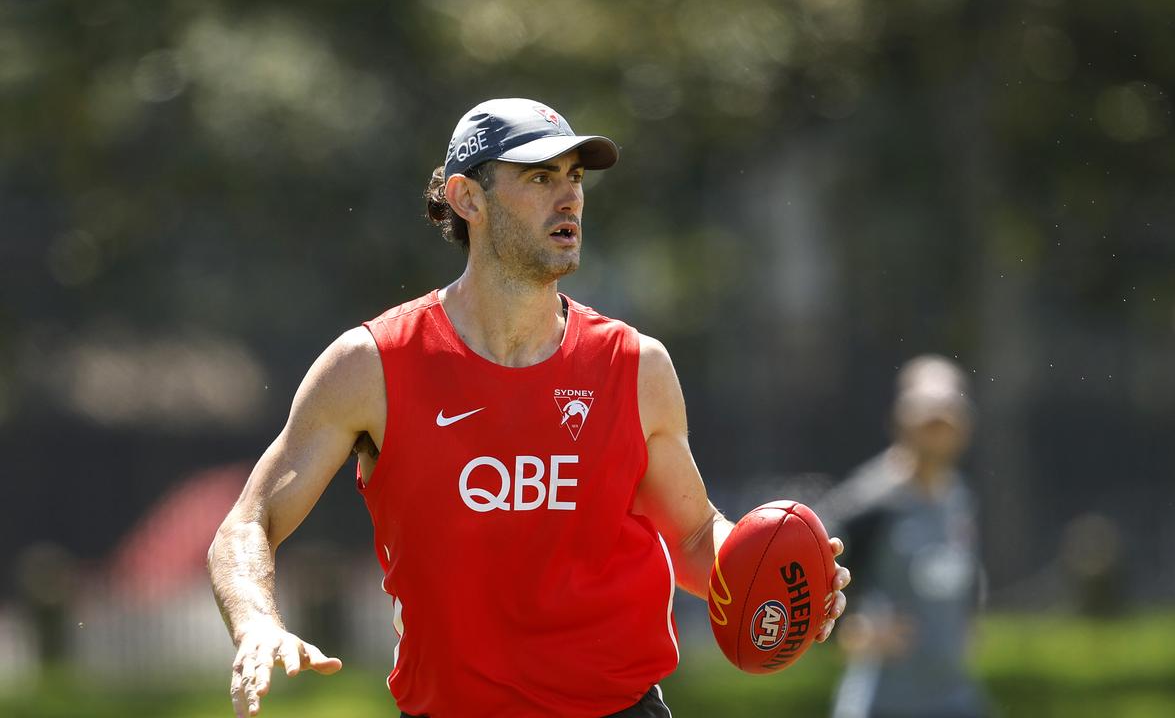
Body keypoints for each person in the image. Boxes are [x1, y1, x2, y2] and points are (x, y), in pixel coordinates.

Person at [208, 98, 851, 718]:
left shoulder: (636, 366)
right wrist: (256, 624)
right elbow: (247, 524)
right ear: (467, 198)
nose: (568, 195)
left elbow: (688, 536)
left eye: (573, 177)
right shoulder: (371, 365)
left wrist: (781, 577)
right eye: (540, 176)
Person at [818, 356, 987, 718]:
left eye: (948, 420)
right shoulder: (871, 500)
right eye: (929, 421)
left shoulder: (958, 497)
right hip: (884, 702)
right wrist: (853, 630)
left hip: (954, 698)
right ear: (902, 419)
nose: (939, 432)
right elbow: (814, 572)